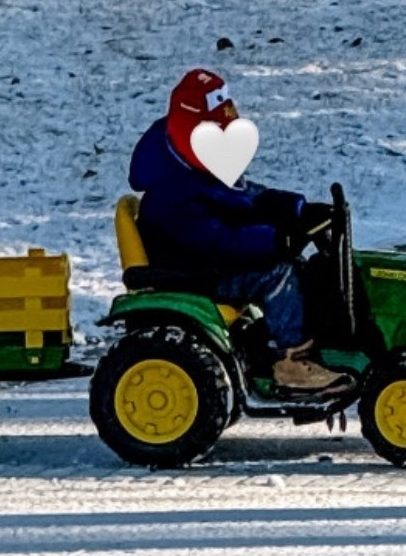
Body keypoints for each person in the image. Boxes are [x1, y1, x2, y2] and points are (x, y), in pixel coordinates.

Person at [128, 68, 349, 393]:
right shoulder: (170, 193)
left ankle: (283, 341)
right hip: (195, 269)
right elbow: (216, 240)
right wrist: (276, 239)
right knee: (278, 275)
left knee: (304, 270)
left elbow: (244, 198)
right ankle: (292, 360)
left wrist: (298, 209)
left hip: (208, 259)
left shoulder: (191, 166)